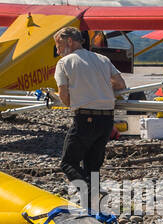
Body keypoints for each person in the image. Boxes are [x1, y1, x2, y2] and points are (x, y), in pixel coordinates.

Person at [49, 26, 126, 210]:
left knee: (68, 163)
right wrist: (99, 88)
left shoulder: (65, 62)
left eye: (58, 45)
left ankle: (92, 193)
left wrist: (73, 98)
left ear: (69, 41)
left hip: (85, 118)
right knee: (93, 166)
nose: (57, 51)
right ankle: (92, 207)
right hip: (107, 119)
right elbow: (120, 83)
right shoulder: (102, 59)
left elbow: (64, 96)